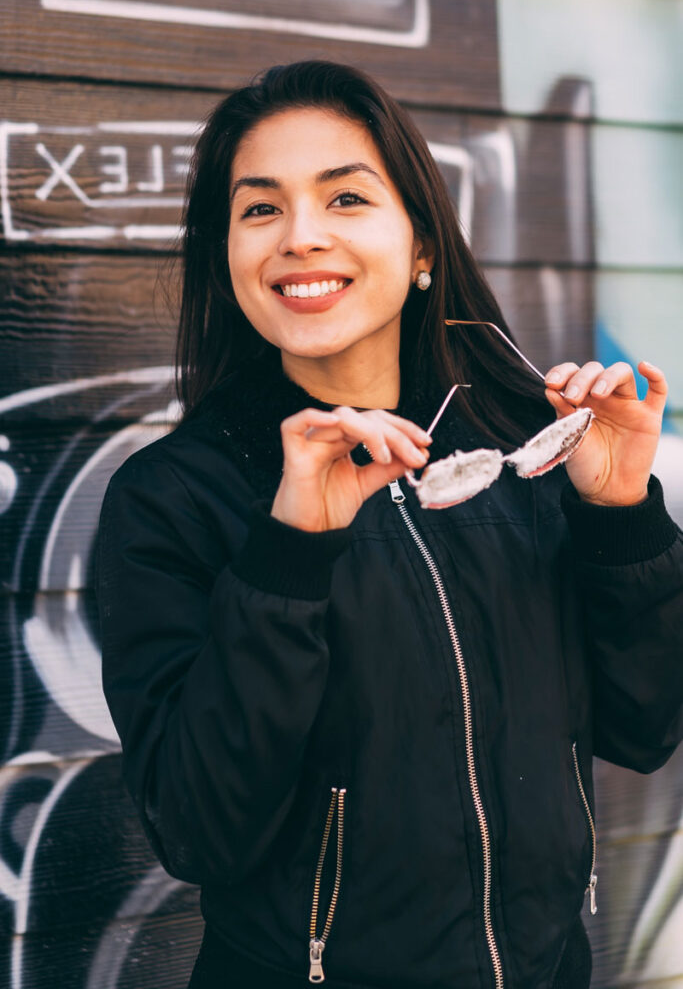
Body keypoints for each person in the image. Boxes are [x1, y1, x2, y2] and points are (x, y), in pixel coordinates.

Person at [95, 60, 683, 988]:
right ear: (226, 257)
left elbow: (645, 725)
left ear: (419, 249)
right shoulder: (173, 497)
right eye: (260, 210)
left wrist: (618, 516)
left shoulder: (526, 450)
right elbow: (198, 825)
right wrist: (292, 549)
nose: (300, 237)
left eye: (345, 199)